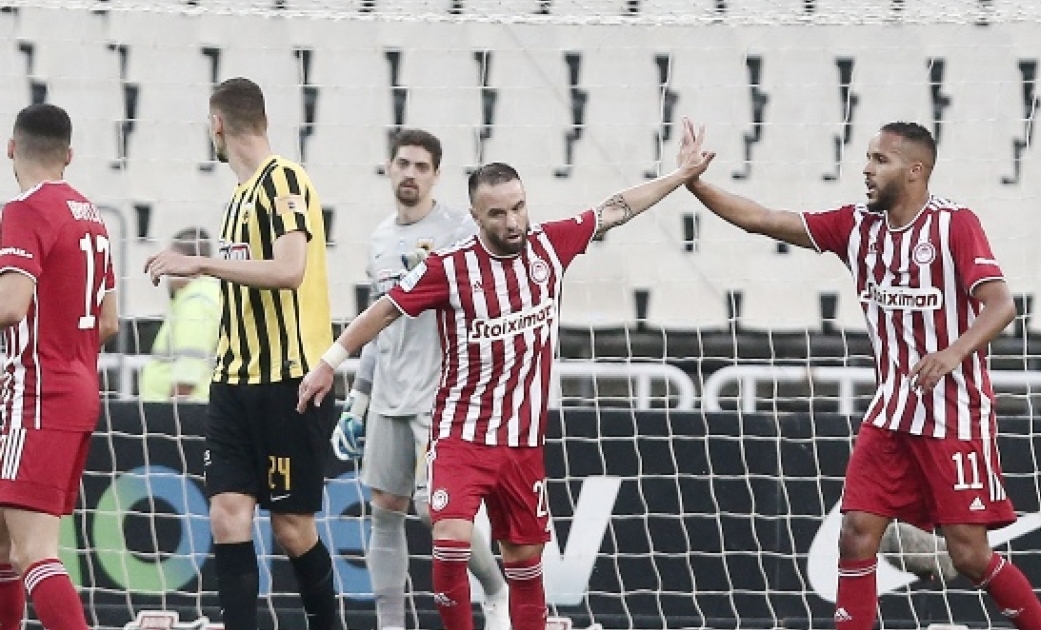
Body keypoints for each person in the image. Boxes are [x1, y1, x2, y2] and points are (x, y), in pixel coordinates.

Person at [297, 147, 715, 630]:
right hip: (461, 435)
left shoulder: (549, 246)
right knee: (450, 540)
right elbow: (385, 309)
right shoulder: (450, 268)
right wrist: (329, 363)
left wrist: (680, 175)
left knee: (524, 562)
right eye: (497, 213)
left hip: (522, 444)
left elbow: (615, 209)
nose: (512, 221)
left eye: (518, 207)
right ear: (475, 216)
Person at [678, 118, 1041, 630]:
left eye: (881, 160)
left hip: (954, 416)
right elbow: (763, 219)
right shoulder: (856, 227)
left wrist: (952, 353)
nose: (867, 169)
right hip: (891, 413)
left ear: (915, 170)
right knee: (856, 532)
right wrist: (695, 184)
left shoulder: (954, 225)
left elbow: (1001, 305)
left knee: (969, 556)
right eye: (868, 158)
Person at [144, 77, 338, 630]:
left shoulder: (285, 179)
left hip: (289, 380)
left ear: (217, 125)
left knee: (292, 529)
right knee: (227, 516)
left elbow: (290, 269)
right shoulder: (236, 198)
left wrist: (201, 263)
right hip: (233, 381)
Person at [330, 128, 511, 630]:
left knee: (435, 510)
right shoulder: (380, 239)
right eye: (403, 163)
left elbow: (488, 294)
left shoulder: (460, 231)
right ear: (390, 167)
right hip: (388, 395)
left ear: (436, 175)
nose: (410, 174)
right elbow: (378, 323)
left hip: (440, 393)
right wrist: (358, 402)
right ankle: (390, 624)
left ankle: (495, 590)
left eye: (421, 167)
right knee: (385, 509)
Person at [0, 103, 119, 630]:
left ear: (11, 148)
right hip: (75, 388)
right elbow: (109, 321)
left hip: (36, 395)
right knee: (5, 547)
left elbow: (10, 305)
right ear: (69, 155)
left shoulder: (24, 210)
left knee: (34, 552)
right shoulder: (90, 214)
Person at [140, 227, 221, 402]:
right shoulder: (205, 294)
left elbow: (189, 366)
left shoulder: (196, 301)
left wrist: (174, 409)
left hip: (183, 408)